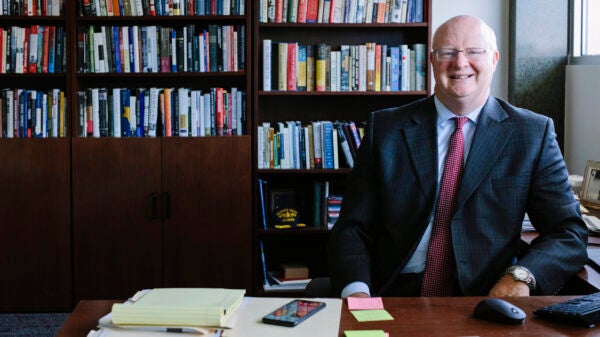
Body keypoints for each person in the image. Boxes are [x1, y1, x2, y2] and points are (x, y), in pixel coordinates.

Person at [327, 15, 588, 298]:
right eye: (447, 52)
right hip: (392, 292)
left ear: (494, 59)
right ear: (431, 60)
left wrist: (521, 278)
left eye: (474, 51)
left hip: (485, 295)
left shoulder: (532, 134)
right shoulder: (386, 129)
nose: (460, 63)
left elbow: (568, 233)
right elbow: (352, 229)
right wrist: (357, 292)